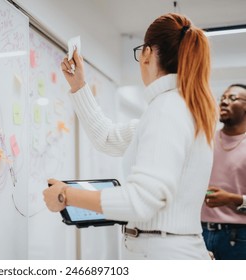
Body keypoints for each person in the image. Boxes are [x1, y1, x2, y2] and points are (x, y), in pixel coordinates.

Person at [43, 13, 217, 260]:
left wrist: (66, 195)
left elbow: (141, 200)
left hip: (161, 255)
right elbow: (106, 137)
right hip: (169, 250)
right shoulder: (177, 108)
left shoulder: (167, 110)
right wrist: (79, 86)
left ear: (147, 53)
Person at [201, 84, 246, 260]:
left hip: (239, 238)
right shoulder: (204, 141)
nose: (224, 102)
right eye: (223, 98)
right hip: (200, 233)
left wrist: (231, 199)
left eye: (232, 98)